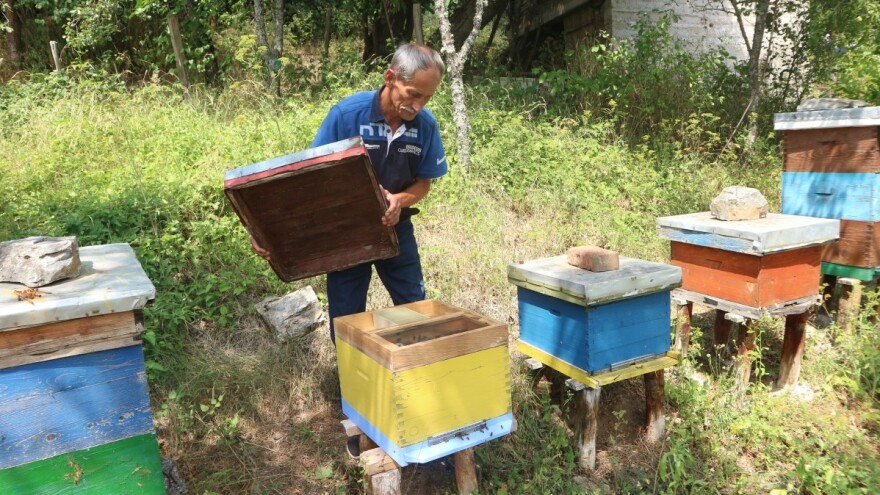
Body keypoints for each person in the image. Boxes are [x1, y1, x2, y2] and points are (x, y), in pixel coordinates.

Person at [253, 43, 447, 342]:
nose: (419, 105)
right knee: (346, 318)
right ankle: (350, 371)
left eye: (427, 97)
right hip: (345, 233)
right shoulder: (347, 116)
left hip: (397, 228)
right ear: (390, 78)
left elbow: (424, 182)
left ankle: (412, 365)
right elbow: (307, 179)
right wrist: (267, 230)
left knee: (415, 308)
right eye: (413, 94)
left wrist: (398, 201)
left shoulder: (425, 126)